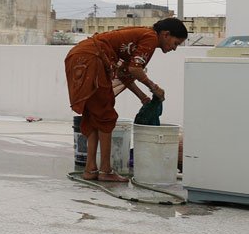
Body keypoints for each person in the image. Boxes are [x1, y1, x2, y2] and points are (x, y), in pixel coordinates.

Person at [64, 18, 188, 182]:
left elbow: (124, 73)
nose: (174, 48)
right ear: (166, 34)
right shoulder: (151, 38)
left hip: (80, 56)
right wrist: (154, 87)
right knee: (106, 116)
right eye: (176, 43)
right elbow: (135, 69)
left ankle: (90, 169)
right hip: (92, 59)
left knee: (94, 115)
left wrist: (143, 97)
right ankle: (105, 170)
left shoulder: (143, 35)